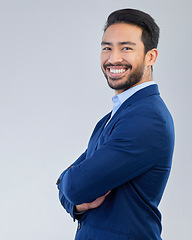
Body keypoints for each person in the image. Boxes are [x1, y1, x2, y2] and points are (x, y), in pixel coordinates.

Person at [56, 8, 175, 240]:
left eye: (126, 48)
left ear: (151, 57)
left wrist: (66, 180)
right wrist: (78, 205)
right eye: (107, 48)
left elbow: (73, 187)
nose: (113, 58)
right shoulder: (115, 116)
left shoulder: (148, 119)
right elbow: (72, 193)